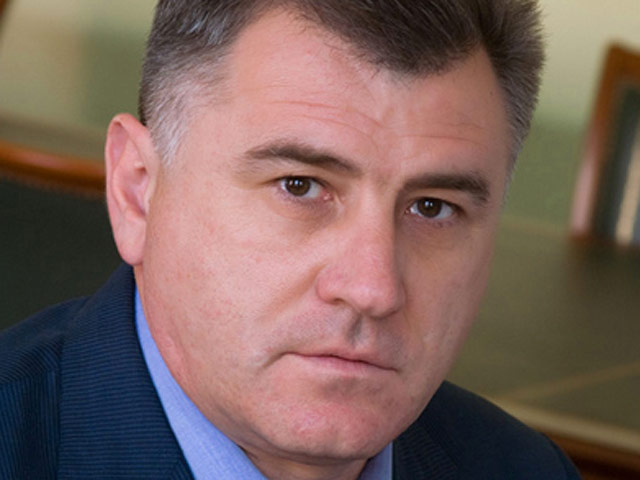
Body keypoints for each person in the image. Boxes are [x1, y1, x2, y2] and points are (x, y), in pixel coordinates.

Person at [0, 1, 581, 479]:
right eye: (299, 186)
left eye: (433, 207)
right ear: (137, 191)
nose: (373, 288)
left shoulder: (524, 469)